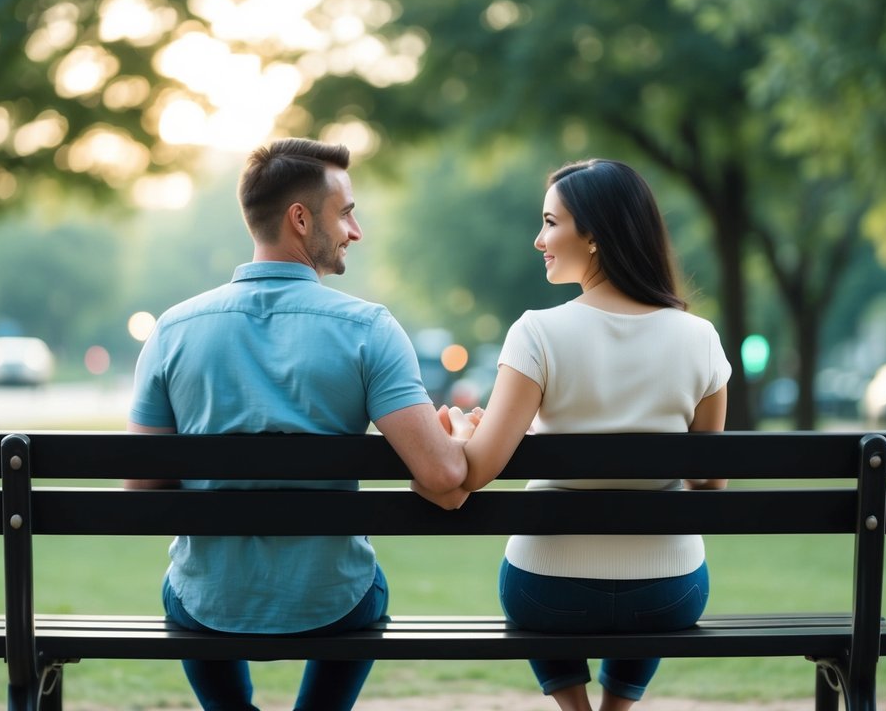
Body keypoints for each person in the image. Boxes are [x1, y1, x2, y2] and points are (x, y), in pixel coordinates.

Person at [125, 137, 468, 711]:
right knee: (366, 586)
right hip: (334, 601)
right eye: (347, 213)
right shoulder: (369, 330)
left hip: (206, 603)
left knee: (185, 588)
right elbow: (440, 475)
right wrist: (455, 437)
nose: (354, 231)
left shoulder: (172, 331)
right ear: (300, 218)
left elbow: (139, 494)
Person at [433, 158, 731, 711]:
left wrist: (455, 427)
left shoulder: (537, 334)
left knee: (534, 577)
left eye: (550, 222)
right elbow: (709, 486)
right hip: (669, 595)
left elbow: (475, 470)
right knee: (661, 562)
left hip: (547, 593)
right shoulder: (701, 338)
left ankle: (577, 710)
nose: (538, 238)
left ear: (592, 235)